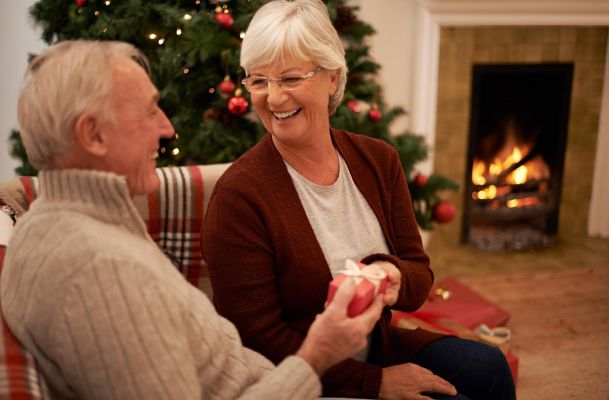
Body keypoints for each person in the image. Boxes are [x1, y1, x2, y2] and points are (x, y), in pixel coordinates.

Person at [0, 39, 386, 400]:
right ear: (93, 134)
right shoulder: (101, 271)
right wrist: (318, 354)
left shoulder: (54, 223)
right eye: (150, 111)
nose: (166, 128)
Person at [202, 1, 516, 399]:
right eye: (259, 80)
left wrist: (393, 277)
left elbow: (419, 275)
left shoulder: (378, 160)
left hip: (379, 349)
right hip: (306, 380)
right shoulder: (239, 197)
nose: (274, 97)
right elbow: (255, 342)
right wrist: (374, 383)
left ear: (332, 78)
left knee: (489, 367)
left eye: (290, 78)